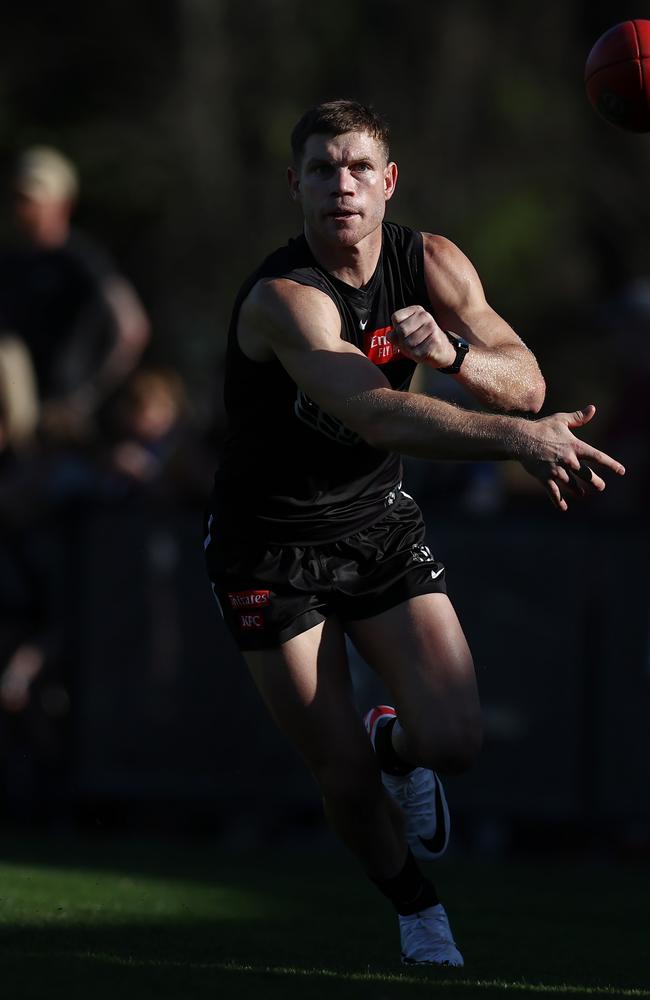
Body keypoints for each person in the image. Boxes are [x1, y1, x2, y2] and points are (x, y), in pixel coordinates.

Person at [204, 100, 625, 967]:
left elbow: (526, 378)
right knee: (342, 776)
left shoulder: (431, 261)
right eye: (322, 168)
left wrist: (459, 358)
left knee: (455, 743)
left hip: (375, 523)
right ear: (297, 186)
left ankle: (398, 742)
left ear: (389, 182)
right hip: (269, 546)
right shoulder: (284, 298)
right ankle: (415, 905)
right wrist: (517, 440)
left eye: (359, 166)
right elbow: (377, 415)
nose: (342, 184)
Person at [0, 146, 150, 443]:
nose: (21, 208)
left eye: (31, 201)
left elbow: (132, 329)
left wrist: (85, 397)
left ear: (63, 204)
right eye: (18, 198)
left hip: (67, 427)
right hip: (23, 423)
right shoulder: (11, 262)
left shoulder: (83, 261)